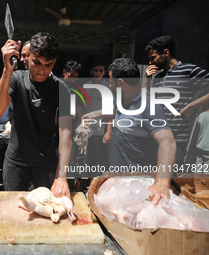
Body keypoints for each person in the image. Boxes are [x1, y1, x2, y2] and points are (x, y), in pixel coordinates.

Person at [83, 58, 176, 205]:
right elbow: (118, 109)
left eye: (112, 82)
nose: (110, 85)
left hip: (137, 187)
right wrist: (93, 114)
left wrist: (162, 183)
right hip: (119, 180)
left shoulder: (148, 104)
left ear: (121, 83)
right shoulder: (124, 99)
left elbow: (168, 141)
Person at [0, 32, 72, 198]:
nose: (42, 70)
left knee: (47, 213)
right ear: (27, 56)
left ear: (55, 61)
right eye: (37, 62)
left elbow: (66, 134)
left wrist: (61, 177)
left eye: (48, 65)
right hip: (16, 162)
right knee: (13, 211)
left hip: (46, 164)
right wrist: (7, 68)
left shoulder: (61, 88)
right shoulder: (16, 78)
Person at [145, 36, 209, 165]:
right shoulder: (158, 76)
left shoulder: (189, 71)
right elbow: (147, 99)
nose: (151, 62)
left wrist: (190, 106)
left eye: (153, 57)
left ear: (166, 53)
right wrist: (148, 80)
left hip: (179, 139)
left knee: (175, 180)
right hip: (157, 137)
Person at [75, 60, 113, 192]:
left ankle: (89, 186)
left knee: (94, 158)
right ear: (91, 71)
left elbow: (111, 111)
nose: (98, 73)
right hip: (84, 129)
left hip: (99, 130)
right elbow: (79, 105)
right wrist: (82, 120)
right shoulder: (85, 85)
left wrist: (108, 132)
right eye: (96, 70)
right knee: (79, 157)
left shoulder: (108, 87)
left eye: (101, 70)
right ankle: (77, 184)